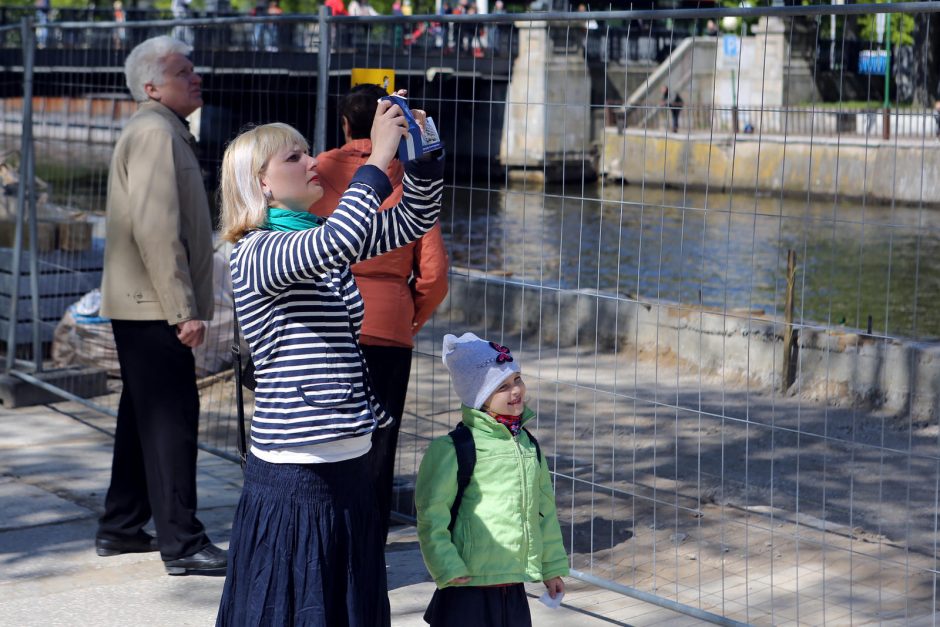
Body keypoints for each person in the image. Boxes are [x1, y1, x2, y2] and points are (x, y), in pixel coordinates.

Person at [215, 99, 444, 625]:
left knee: (344, 600)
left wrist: (422, 163)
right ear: (262, 184)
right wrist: (377, 157)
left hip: (348, 452)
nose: (311, 160)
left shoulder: (311, 240)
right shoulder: (255, 251)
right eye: (293, 157)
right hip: (297, 467)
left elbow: (411, 222)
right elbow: (340, 238)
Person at [97, 36, 226, 576]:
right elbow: (156, 228)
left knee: (144, 414)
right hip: (153, 306)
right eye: (182, 71)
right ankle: (183, 543)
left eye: (193, 69)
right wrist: (183, 309)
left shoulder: (159, 128)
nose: (195, 77)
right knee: (172, 419)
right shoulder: (155, 133)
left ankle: (122, 525)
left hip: (142, 304)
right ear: (151, 86)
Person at [311, 84, 450, 544]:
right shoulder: (406, 175)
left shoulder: (316, 172)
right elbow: (433, 274)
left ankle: (327, 531)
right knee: (380, 438)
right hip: (389, 322)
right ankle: (368, 542)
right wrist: (410, 317)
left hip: (328, 317)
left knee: (327, 436)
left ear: (347, 125)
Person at [415, 333, 569, 627]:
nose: (516, 391)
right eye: (502, 386)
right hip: (466, 585)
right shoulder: (453, 448)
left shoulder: (528, 445)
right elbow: (431, 516)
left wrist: (551, 568)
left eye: (517, 380)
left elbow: (544, 511)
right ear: (480, 397)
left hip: (512, 585)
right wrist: (446, 566)